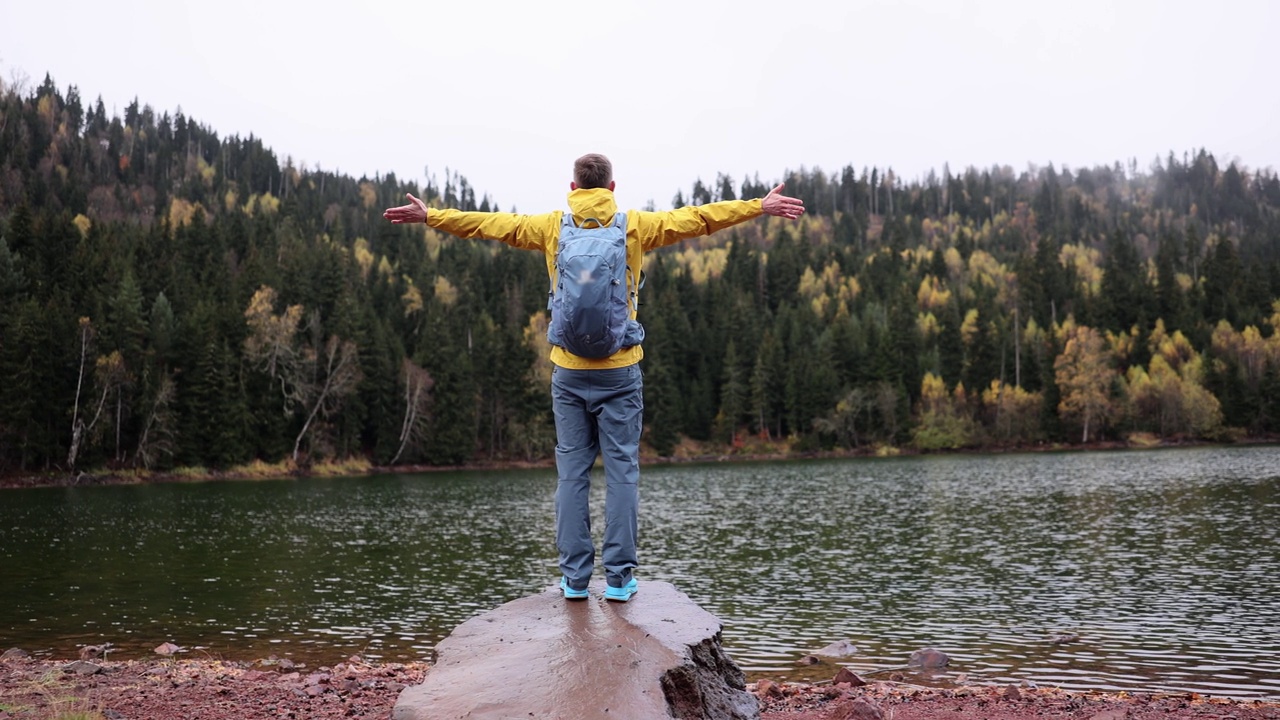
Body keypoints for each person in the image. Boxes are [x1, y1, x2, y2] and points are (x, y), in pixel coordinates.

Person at [384, 154, 804, 602]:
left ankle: (575, 581)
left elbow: (490, 224)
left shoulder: (549, 227)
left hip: (568, 371)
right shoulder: (635, 225)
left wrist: (432, 216)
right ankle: (620, 581)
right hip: (621, 369)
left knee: (572, 474)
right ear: (612, 186)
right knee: (622, 472)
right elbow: (699, 218)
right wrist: (758, 206)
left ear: (573, 187)